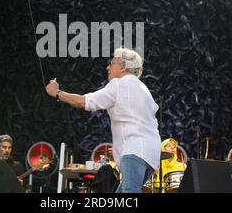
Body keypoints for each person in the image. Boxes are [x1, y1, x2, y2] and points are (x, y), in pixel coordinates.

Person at [46, 47, 161, 193]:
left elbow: (84, 102)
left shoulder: (119, 84)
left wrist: (57, 93)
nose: (108, 67)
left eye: (112, 63)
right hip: (151, 154)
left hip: (135, 151)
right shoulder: (143, 88)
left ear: (123, 67)